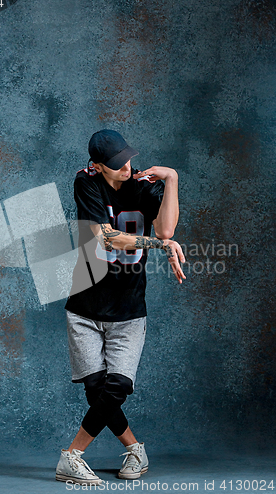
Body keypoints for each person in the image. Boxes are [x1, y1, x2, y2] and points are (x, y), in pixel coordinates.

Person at [56, 130, 186, 485]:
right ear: (97, 166)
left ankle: (72, 455)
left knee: (117, 386)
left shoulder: (142, 183)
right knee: (96, 389)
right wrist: (160, 246)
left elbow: (166, 228)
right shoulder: (86, 182)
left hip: (128, 307)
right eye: (116, 164)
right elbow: (105, 235)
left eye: (128, 158)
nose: (127, 167)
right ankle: (135, 449)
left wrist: (171, 179)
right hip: (85, 304)